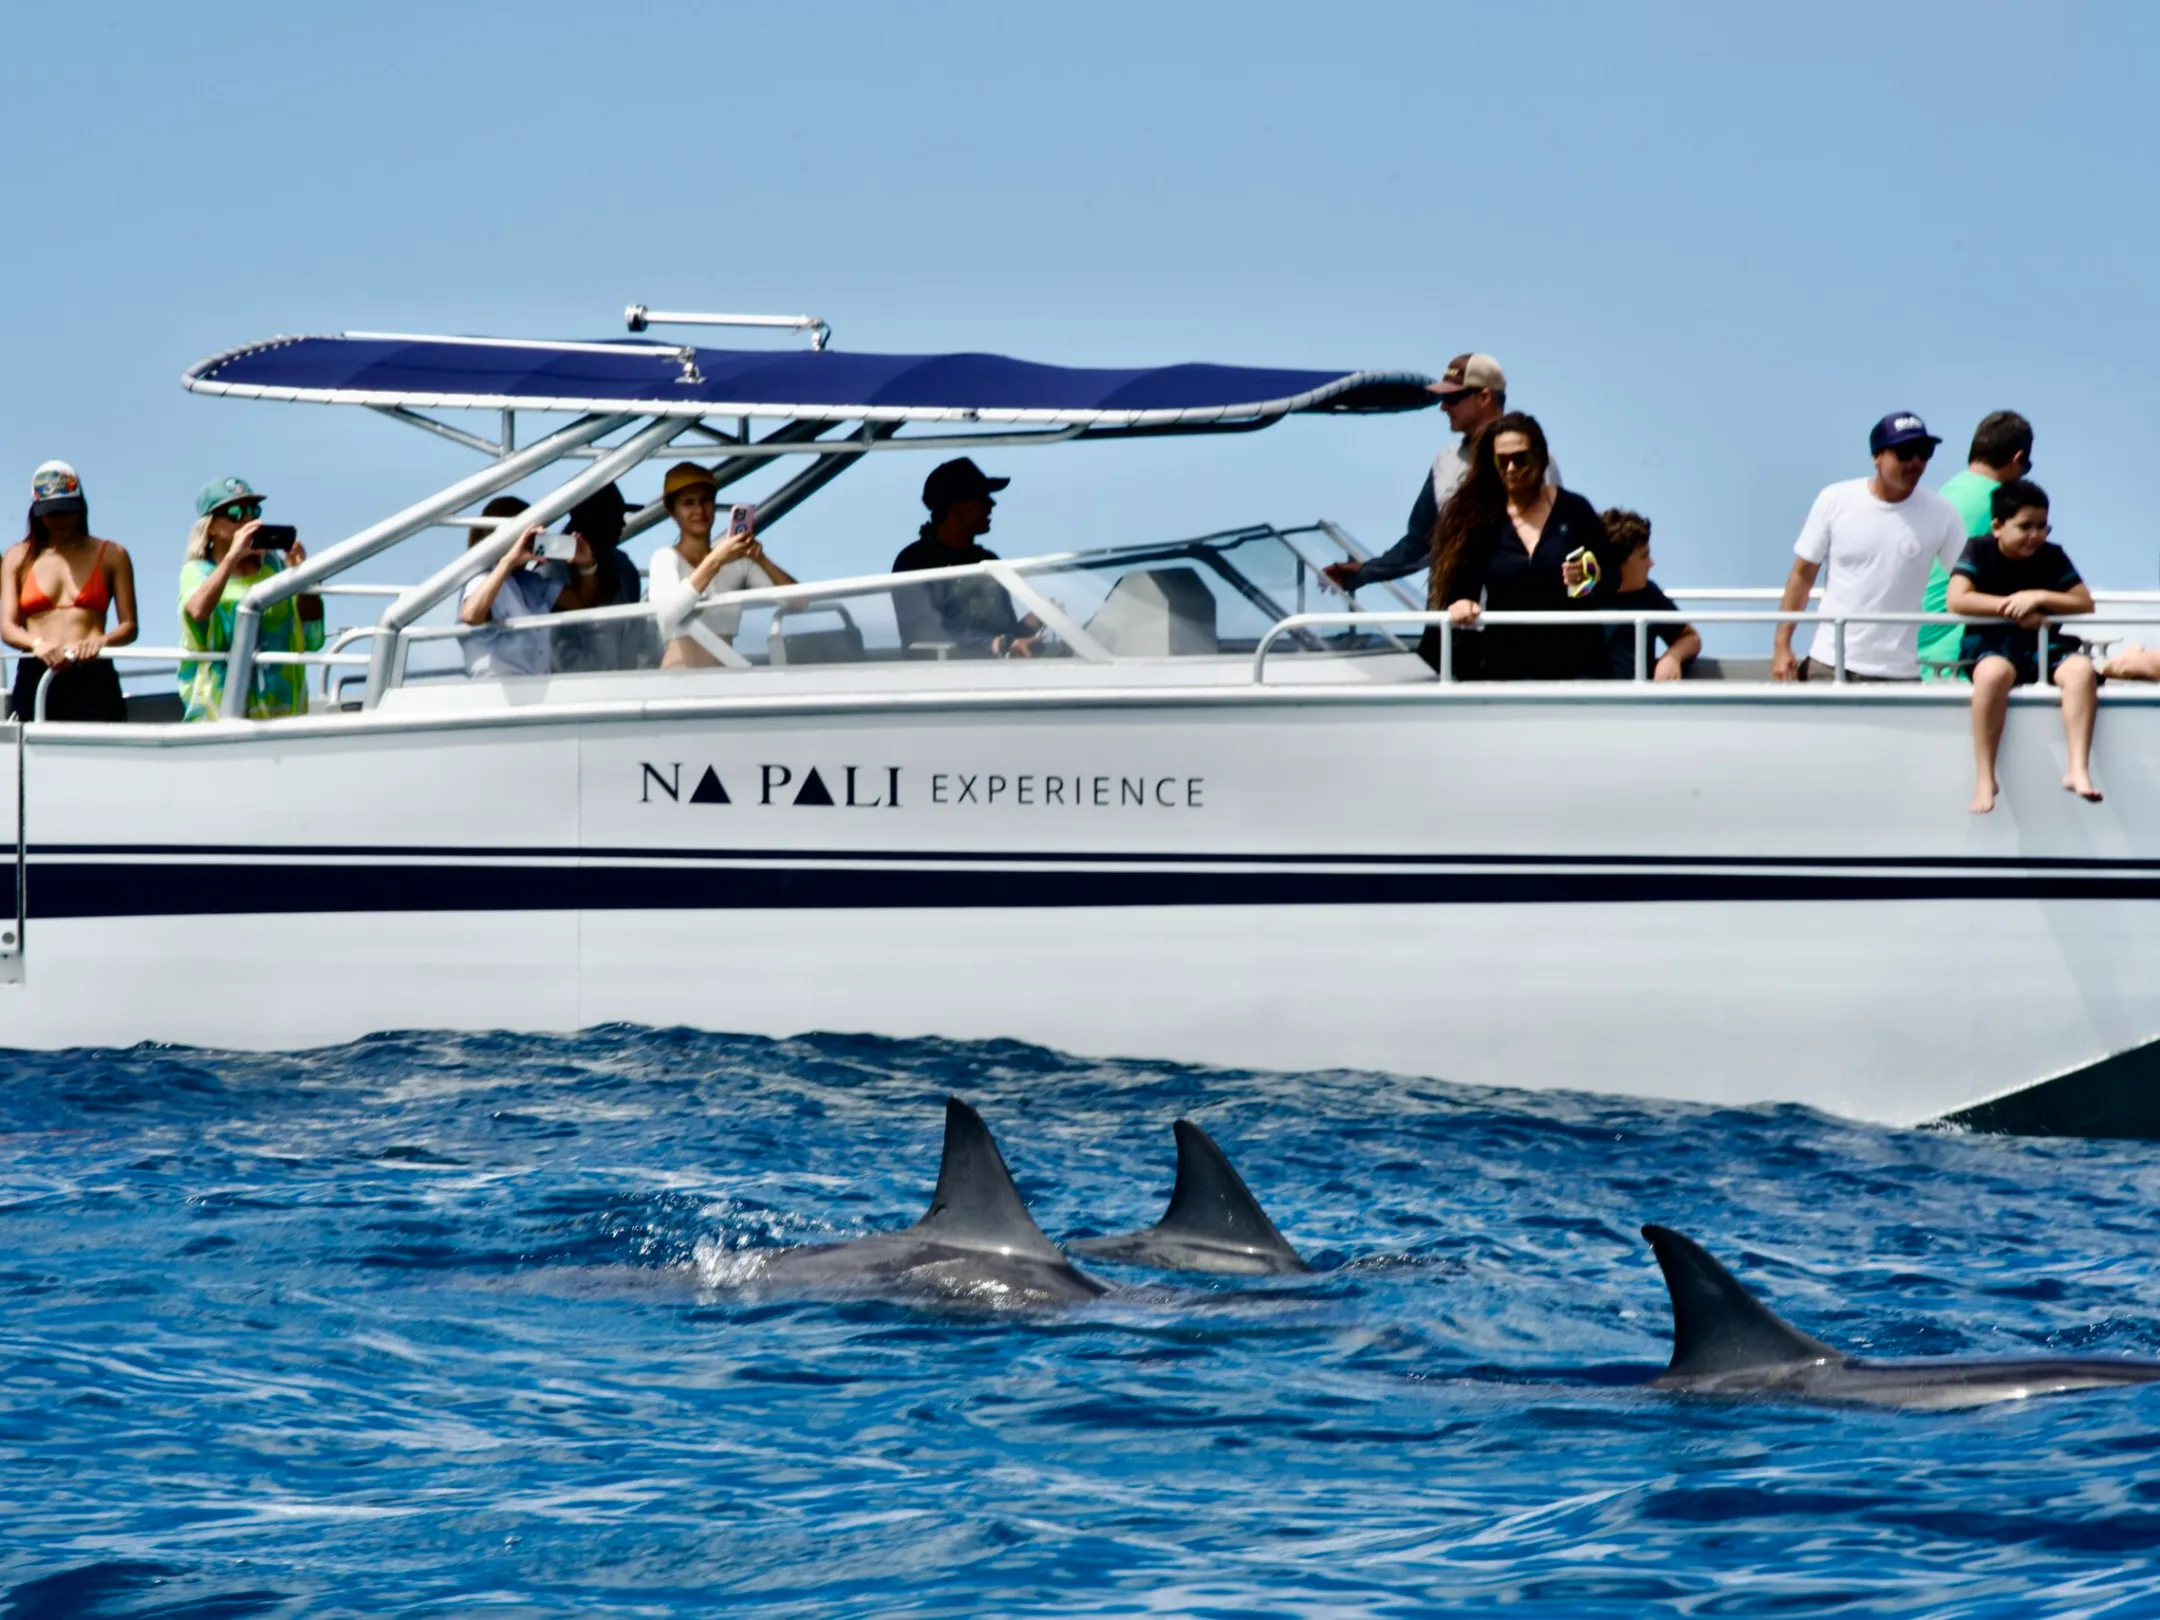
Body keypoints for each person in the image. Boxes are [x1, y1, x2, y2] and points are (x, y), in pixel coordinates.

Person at [1322, 353, 1560, 593]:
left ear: (1484, 397)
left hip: (1511, 619)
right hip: (1448, 614)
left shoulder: (1538, 462)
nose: (1443, 407)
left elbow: (1555, 541)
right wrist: (1364, 572)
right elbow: (1421, 543)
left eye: (1452, 398)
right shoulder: (1444, 462)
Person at [1770, 414, 1966, 683]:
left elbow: (1970, 577)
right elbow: (1802, 575)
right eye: (1905, 452)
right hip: (1830, 664)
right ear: (1877, 456)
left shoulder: (1942, 513)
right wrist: (1782, 645)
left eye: (1925, 453)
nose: (1916, 462)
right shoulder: (1835, 500)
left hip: (1900, 673)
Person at [1947, 480, 2098, 812]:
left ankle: (2077, 769)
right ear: (1998, 526)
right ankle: (1986, 777)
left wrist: (2039, 597)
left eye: (2042, 525)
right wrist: (2013, 609)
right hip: (1991, 644)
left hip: (2043, 645)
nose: (2036, 534)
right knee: (1992, 675)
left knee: (2081, 670)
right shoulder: (1979, 549)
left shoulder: (2052, 555)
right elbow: (1957, 599)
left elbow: (2084, 602)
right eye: (2026, 526)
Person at [1433, 414, 1616, 680]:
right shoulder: (1480, 520)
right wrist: (1460, 604)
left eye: (1520, 458)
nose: (1510, 468)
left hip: (1578, 666)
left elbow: (1612, 577)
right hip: (1506, 670)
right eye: (1502, 460)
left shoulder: (1574, 510)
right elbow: (1462, 590)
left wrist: (1590, 576)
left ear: (1540, 456)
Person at [178, 476, 324, 721]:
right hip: (219, 712)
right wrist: (232, 558)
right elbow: (198, 610)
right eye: (235, 513)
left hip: (283, 711)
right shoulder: (198, 571)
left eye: (253, 511)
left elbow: (310, 632)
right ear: (210, 526)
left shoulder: (275, 567)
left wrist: (301, 578)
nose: (248, 520)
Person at [1, 461, 138, 722]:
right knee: (33, 757)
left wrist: (101, 641)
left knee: (102, 756)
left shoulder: (112, 554)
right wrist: (37, 644)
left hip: (94, 674)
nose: (60, 520)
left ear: (81, 508)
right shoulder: (18, 556)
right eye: (51, 512)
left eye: (67, 511)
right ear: (37, 512)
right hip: (36, 671)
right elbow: (7, 627)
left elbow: (129, 626)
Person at [1920, 411, 2035, 681]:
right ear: (2017, 459)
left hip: (1914, 646)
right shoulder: (2003, 505)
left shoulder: (1947, 491)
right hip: (1958, 656)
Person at [649, 462, 798, 668]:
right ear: (672, 512)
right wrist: (716, 560)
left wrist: (760, 559)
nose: (699, 509)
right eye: (688, 503)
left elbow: (798, 602)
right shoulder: (665, 557)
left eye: (706, 500)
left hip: (724, 685)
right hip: (678, 687)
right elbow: (668, 614)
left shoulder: (736, 561)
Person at [891, 457, 1043, 657]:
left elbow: (1004, 637)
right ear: (954, 505)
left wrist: (1030, 625)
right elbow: (926, 634)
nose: (991, 503)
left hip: (997, 675)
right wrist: (996, 644)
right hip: (945, 680)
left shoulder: (987, 561)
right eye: (981, 497)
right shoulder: (914, 563)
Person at [457, 496, 569, 679]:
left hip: (535, 691)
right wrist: (508, 561)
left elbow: (582, 602)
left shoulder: (529, 582)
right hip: (498, 696)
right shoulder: (483, 578)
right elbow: (471, 615)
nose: (533, 543)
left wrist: (586, 565)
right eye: (529, 537)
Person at [550, 483, 653, 673]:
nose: (623, 523)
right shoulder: (550, 573)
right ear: (591, 519)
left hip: (626, 689)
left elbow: (638, 634)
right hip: (568, 692)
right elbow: (550, 648)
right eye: (614, 515)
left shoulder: (624, 566)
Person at [1596, 509, 1699, 681]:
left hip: (1633, 703)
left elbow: (1690, 637)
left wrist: (1672, 658)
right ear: (1619, 563)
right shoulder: (1578, 595)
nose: (1651, 564)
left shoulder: (1649, 595)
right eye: (1644, 556)